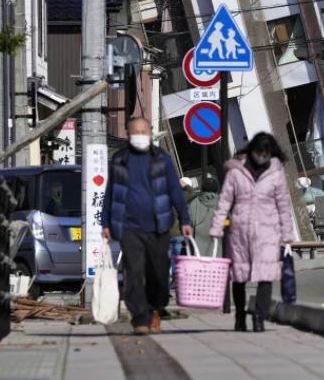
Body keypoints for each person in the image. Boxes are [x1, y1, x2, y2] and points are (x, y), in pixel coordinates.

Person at [102, 117, 192, 336]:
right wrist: (105, 222)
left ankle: (156, 309)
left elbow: (175, 191)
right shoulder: (119, 159)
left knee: (159, 273)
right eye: (136, 131)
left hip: (159, 226)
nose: (140, 135)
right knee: (134, 272)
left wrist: (185, 219)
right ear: (128, 133)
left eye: (144, 131)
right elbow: (110, 192)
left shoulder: (162, 159)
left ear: (150, 133)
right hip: (129, 226)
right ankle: (140, 318)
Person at [210, 132, 295, 332]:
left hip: (268, 231)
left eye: (265, 153)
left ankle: (259, 316)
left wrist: (287, 234)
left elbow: (283, 204)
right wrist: (217, 226)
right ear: (252, 150)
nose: (261, 156)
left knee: (265, 276)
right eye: (258, 152)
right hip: (240, 230)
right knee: (239, 276)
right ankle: (240, 315)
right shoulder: (236, 171)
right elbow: (224, 201)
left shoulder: (276, 172)